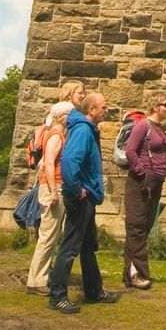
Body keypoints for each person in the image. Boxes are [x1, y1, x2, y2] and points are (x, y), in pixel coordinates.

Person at [48, 90, 119, 313]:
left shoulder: (87, 130)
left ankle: (94, 290)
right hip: (81, 197)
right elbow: (70, 161)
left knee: (88, 246)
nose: (106, 110)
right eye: (103, 107)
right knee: (70, 247)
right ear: (92, 110)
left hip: (87, 195)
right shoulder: (82, 131)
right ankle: (57, 296)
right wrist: (75, 189)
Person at [123, 94, 166, 289]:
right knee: (136, 226)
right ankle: (140, 274)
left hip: (156, 181)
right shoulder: (143, 125)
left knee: (144, 226)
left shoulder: (159, 128)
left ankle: (130, 273)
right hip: (140, 182)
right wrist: (141, 171)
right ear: (156, 107)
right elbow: (130, 151)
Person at [26, 101, 73, 293]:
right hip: (53, 187)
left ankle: (40, 277)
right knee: (47, 236)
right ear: (62, 117)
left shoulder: (58, 134)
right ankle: (36, 281)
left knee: (50, 236)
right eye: (70, 115)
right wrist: (54, 191)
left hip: (54, 186)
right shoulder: (55, 136)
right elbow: (49, 164)